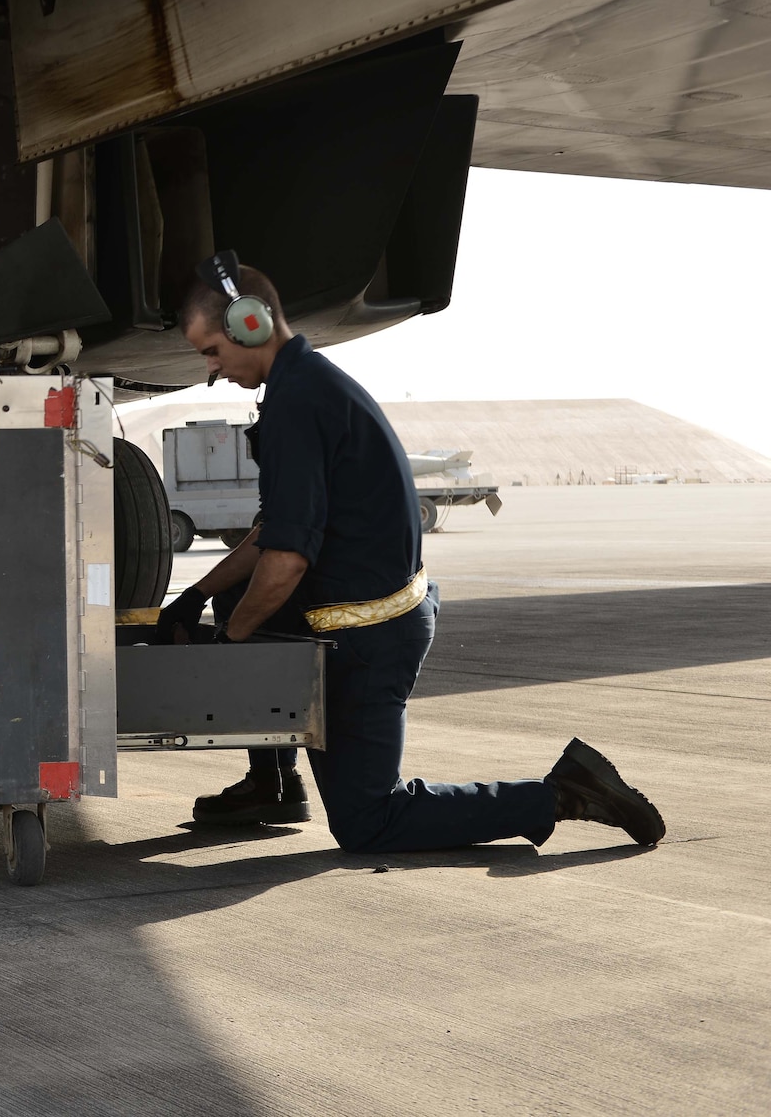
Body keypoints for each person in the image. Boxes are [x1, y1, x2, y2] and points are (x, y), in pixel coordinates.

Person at [153, 254, 664, 851]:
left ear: (251, 324)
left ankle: (563, 793)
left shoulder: (299, 402)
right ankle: (272, 782)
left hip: (369, 637)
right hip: (358, 618)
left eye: (212, 350)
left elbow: (287, 560)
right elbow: (274, 530)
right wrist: (198, 595)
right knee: (241, 596)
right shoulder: (305, 384)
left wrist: (230, 647)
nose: (211, 369)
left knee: (369, 822)